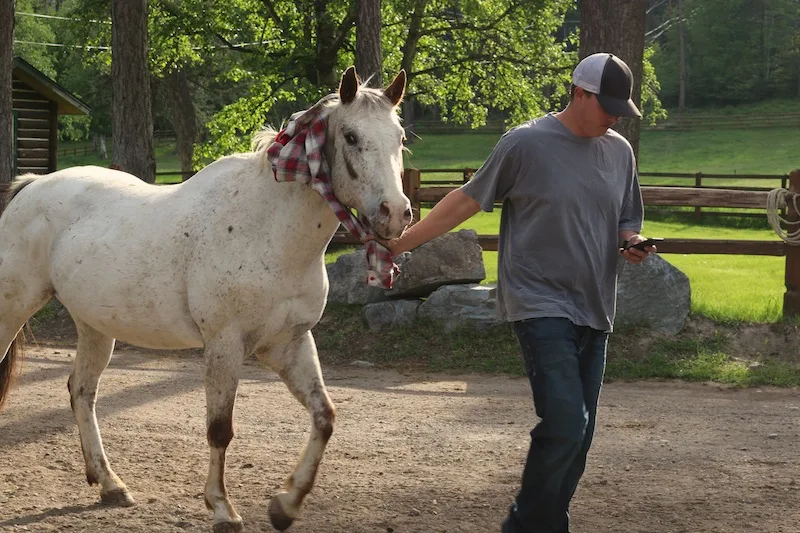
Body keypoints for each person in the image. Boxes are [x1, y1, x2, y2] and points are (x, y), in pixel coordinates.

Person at [381, 53, 655, 533]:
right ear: (578, 93)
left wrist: (631, 242)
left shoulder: (619, 152)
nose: (614, 115)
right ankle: (522, 526)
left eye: (619, 107)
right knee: (567, 422)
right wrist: (401, 244)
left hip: (596, 305)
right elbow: (467, 200)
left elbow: (627, 219)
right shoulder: (525, 143)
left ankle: (546, 525)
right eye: (607, 105)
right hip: (539, 301)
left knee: (579, 435)